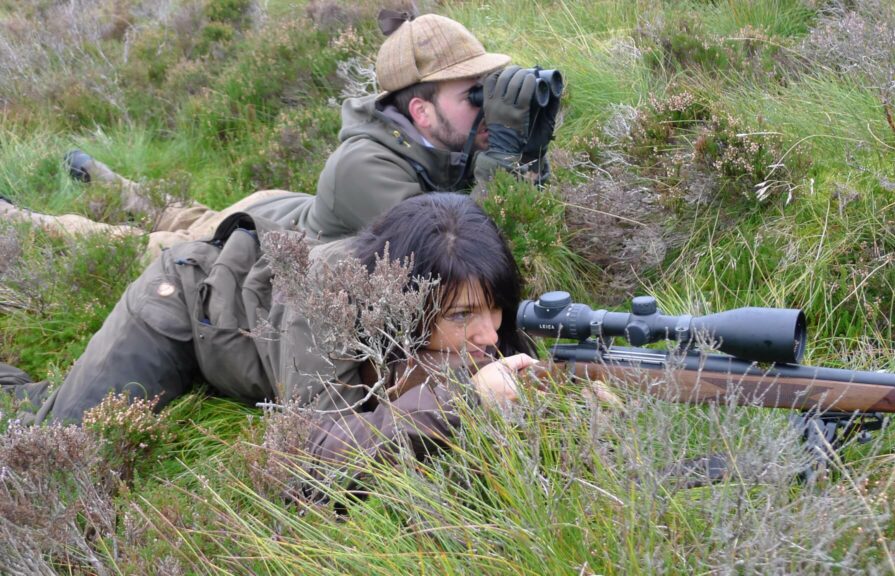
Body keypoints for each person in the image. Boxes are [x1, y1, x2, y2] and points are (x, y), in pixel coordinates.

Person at [0, 11, 559, 261]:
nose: (488, 109)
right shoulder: (365, 167)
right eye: (474, 96)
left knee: (179, 209)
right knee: (133, 248)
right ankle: (21, 222)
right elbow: (458, 259)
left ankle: (106, 179)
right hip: (251, 245)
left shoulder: (446, 137)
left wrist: (526, 151)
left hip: (278, 210)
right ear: (420, 108)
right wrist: (503, 157)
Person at [1, 193, 539, 434]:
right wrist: (461, 401)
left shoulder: (465, 298)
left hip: (262, 327)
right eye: (464, 317)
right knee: (64, 438)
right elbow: (319, 443)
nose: (490, 334)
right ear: (404, 300)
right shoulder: (327, 298)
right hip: (189, 305)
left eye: (497, 308)